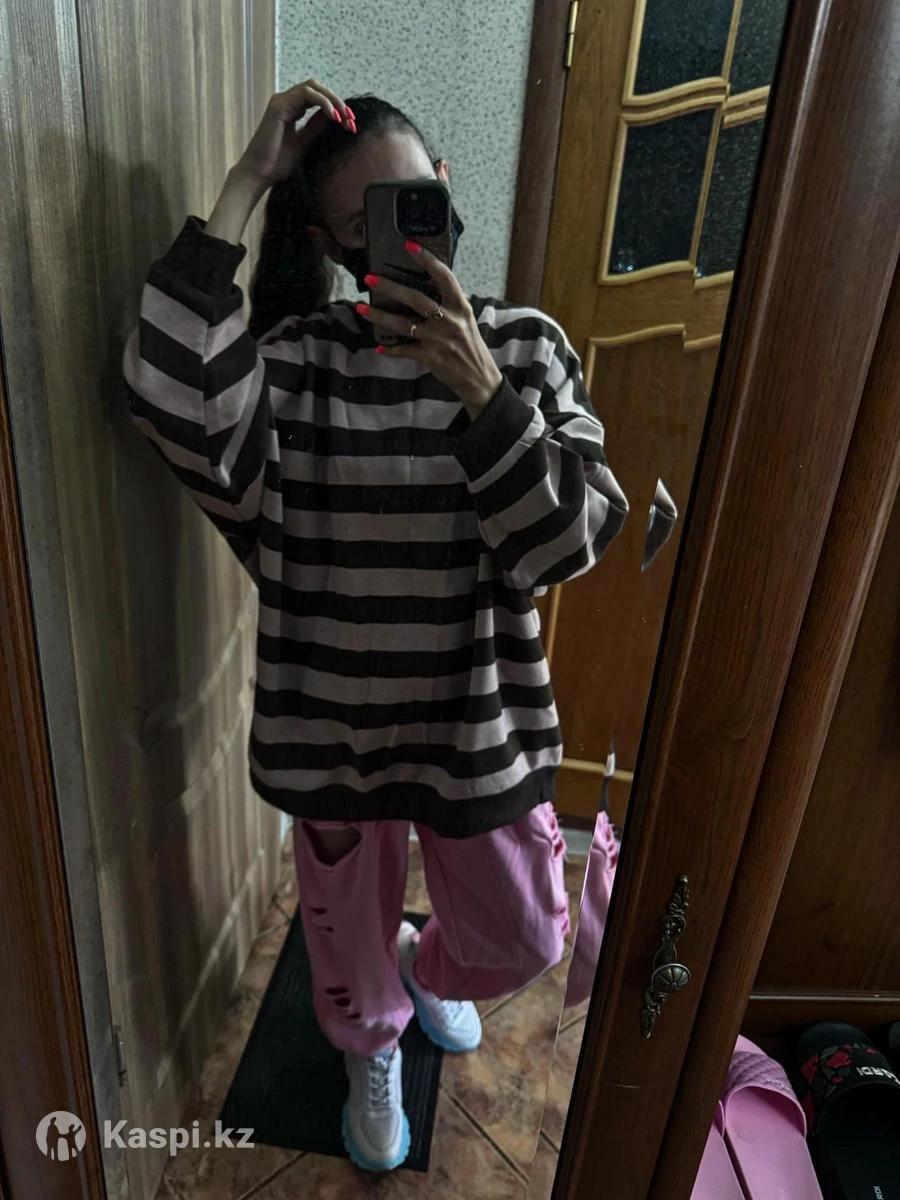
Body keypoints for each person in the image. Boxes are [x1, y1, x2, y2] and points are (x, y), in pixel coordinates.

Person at [122, 79, 629, 1173]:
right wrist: (247, 179)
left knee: (525, 932)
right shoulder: (300, 363)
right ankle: (371, 1045)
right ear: (337, 248)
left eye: (412, 203)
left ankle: (426, 970)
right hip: (333, 734)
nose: (400, 237)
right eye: (366, 223)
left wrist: (483, 390)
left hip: (475, 733)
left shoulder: (529, 349)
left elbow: (571, 540)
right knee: (344, 950)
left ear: (443, 187)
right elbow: (169, 392)